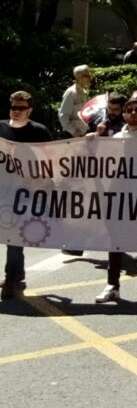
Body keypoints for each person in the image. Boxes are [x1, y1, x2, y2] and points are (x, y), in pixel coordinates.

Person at [94, 98, 137, 303]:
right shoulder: (115, 138)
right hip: (119, 195)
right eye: (129, 110)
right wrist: (94, 139)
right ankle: (112, 285)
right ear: (123, 114)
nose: (133, 113)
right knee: (116, 240)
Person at [0, 91, 53, 300]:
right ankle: (18, 273)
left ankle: (10, 279)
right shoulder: (1, 128)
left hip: (26, 193)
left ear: (29, 110)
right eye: (13, 107)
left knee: (14, 235)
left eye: (20, 108)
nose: (16, 111)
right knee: (8, 235)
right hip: (3, 189)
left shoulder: (39, 132)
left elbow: (53, 158)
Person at [59, 64, 92, 137]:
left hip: (83, 133)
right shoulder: (71, 92)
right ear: (79, 78)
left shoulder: (85, 92)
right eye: (87, 76)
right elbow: (63, 115)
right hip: (72, 135)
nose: (90, 78)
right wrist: (74, 132)